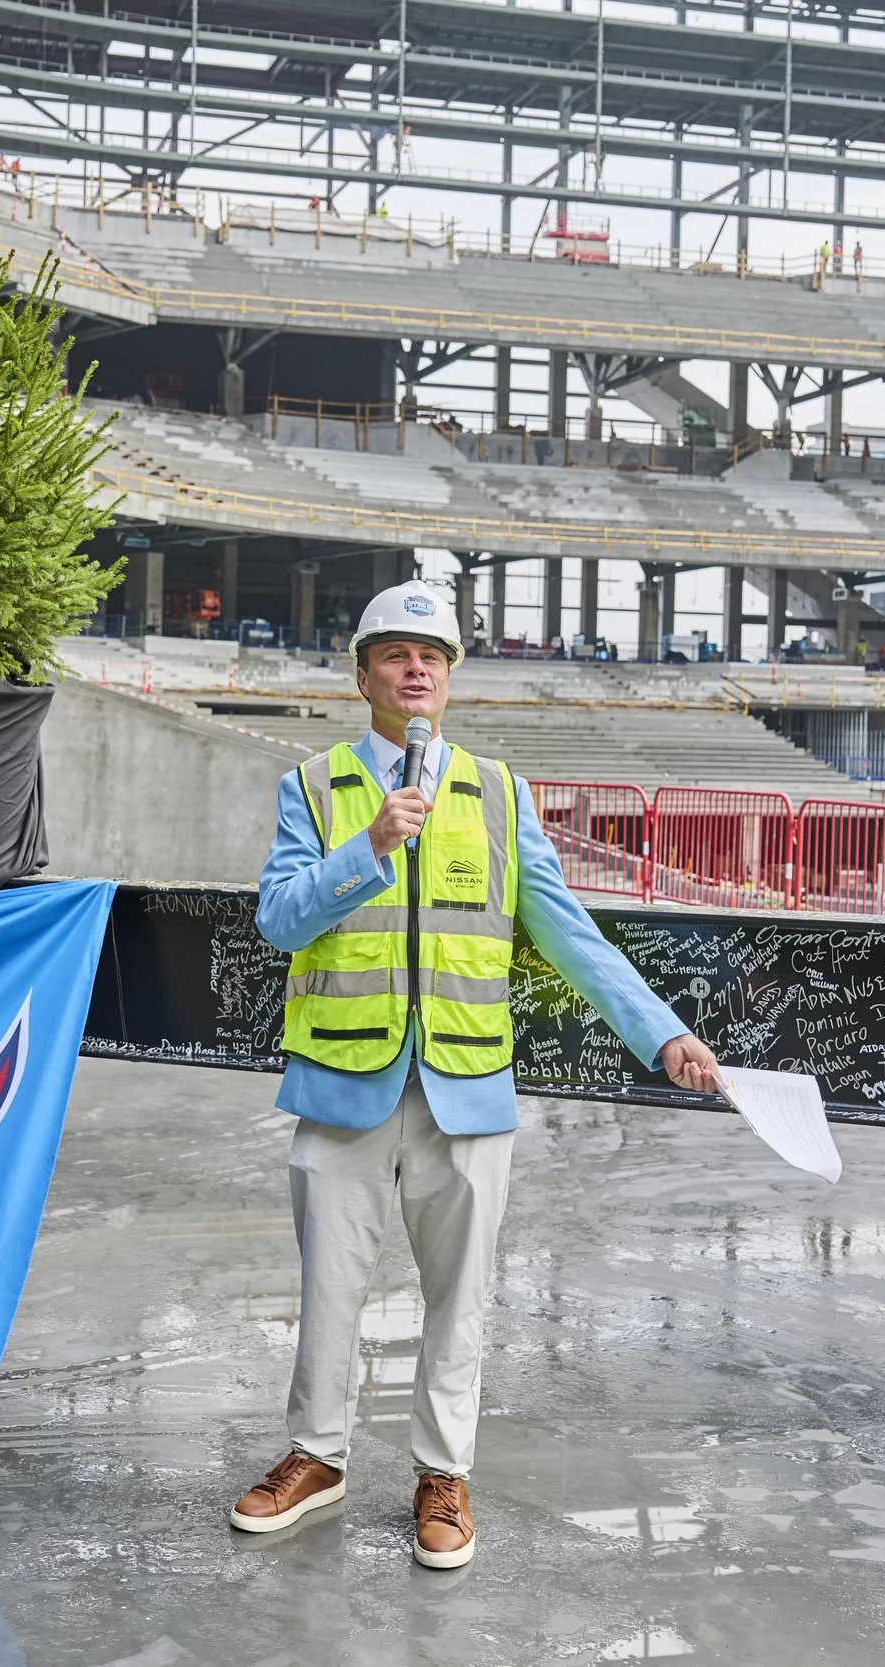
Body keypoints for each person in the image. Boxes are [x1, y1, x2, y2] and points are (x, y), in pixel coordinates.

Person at [228, 580, 722, 1572]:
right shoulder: (317, 786)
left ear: (450, 679)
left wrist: (658, 1029)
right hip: (343, 1080)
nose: (418, 669)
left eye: (435, 656)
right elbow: (279, 919)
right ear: (362, 672)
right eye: (398, 653)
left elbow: (566, 930)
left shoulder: (498, 793)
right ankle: (314, 1454)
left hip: (463, 1084)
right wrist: (367, 846)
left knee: (460, 1295)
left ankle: (442, 1471)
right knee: (330, 1284)